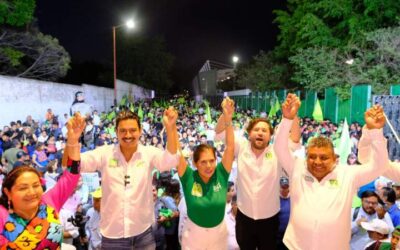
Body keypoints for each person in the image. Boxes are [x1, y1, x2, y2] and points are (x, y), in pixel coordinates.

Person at [274, 93, 389, 250]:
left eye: (324, 157)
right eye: (312, 156)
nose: (317, 162)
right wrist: (287, 119)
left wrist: (376, 132)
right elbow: (280, 148)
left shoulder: (348, 174)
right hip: (294, 246)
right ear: (306, 157)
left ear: (335, 158)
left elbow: (379, 165)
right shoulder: (297, 168)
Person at [65, 108, 179, 249]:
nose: (128, 135)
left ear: (140, 130)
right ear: (116, 132)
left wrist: (170, 128)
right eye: (123, 131)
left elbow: (171, 161)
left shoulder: (148, 153)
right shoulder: (105, 154)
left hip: (144, 234)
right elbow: (74, 166)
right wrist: (72, 139)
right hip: (113, 237)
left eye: (132, 130)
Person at [214, 98, 301, 250]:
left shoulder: (278, 151)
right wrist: (226, 114)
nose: (260, 133)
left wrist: (293, 115)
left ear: (270, 136)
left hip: (270, 219)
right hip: (244, 217)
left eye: (264, 130)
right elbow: (220, 132)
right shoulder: (240, 146)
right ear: (249, 133)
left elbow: (294, 139)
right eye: (256, 130)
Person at [0, 113, 85, 249]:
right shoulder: (2, 216)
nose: (32, 192)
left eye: (36, 185)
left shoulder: (49, 201)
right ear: (8, 192)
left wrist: (73, 142)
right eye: (23, 188)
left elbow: (71, 175)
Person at [178, 97, 235, 249]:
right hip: (193, 235)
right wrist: (171, 128)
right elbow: (177, 153)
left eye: (212, 160)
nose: (209, 165)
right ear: (195, 163)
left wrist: (228, 118)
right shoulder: (188, 176)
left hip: (219, 234)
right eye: (203, 162)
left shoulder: (221, 174)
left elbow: (230, 147)